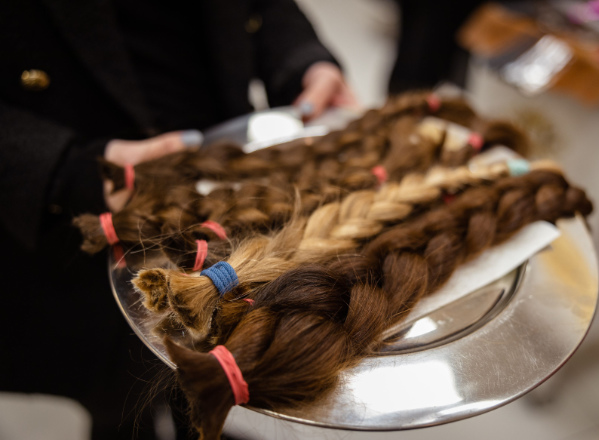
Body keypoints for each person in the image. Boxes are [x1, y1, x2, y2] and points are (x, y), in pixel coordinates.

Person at [0, 1, 357, 438]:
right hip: (79, 181)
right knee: (119, 384)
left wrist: (302, 59)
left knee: (205, 341)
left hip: (225, 170)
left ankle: (196, 422)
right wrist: (61, 167)